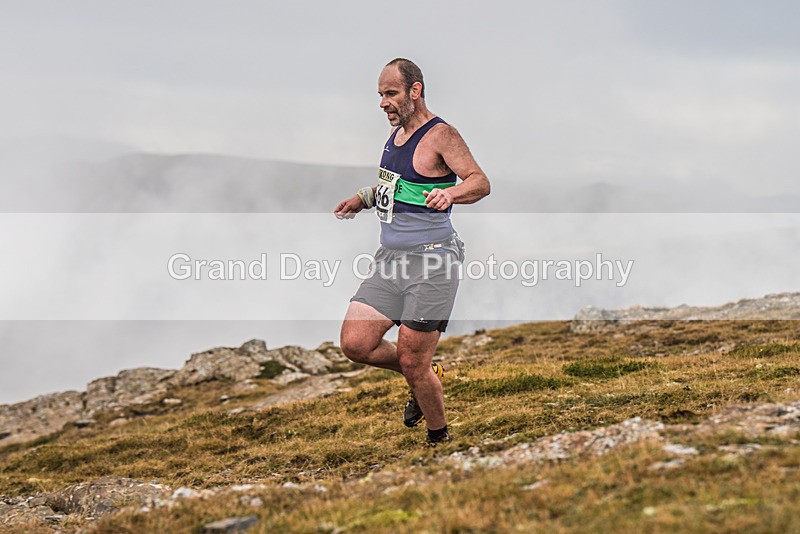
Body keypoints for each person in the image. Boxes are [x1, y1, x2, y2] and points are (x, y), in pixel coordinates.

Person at [334, 58, 490, 445]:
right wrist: (364, 197)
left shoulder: (441, 135)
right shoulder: (395, 137)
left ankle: (439, 440)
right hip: (390, 261)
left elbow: (480, 182)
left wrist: (450, 192)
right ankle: (424, 371)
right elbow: (398, 187)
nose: (383, 103)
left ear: (415, 91)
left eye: (391, 94)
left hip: (433, 262)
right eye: (380, 95)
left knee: (411, 360)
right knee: (356, 344)